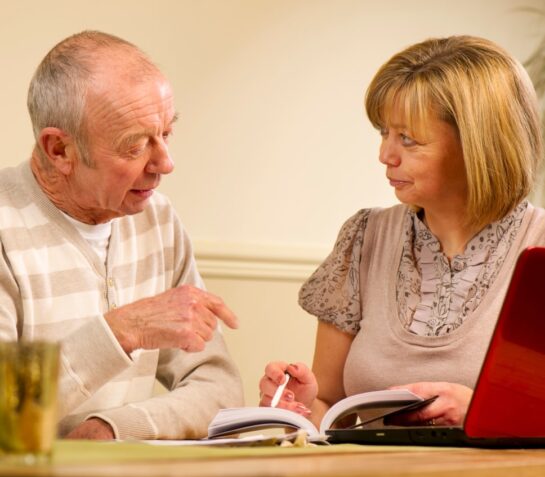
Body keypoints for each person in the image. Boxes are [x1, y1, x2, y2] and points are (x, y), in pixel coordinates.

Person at [259, 35, 545, 429]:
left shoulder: (539, 246)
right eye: (384, 133)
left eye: (407, 139)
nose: (385, 156)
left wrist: (481, 411)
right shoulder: (364, 238)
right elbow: (329, 400)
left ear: (477, 145)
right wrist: (302, 407)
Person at [0, 30, 244, 440]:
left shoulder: (158, 221)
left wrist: (113, 429)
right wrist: (122, 331)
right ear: (59, 150)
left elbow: (218, 388)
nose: (165, 164)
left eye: (165, 133)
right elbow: (7, 414)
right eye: (135, 147)